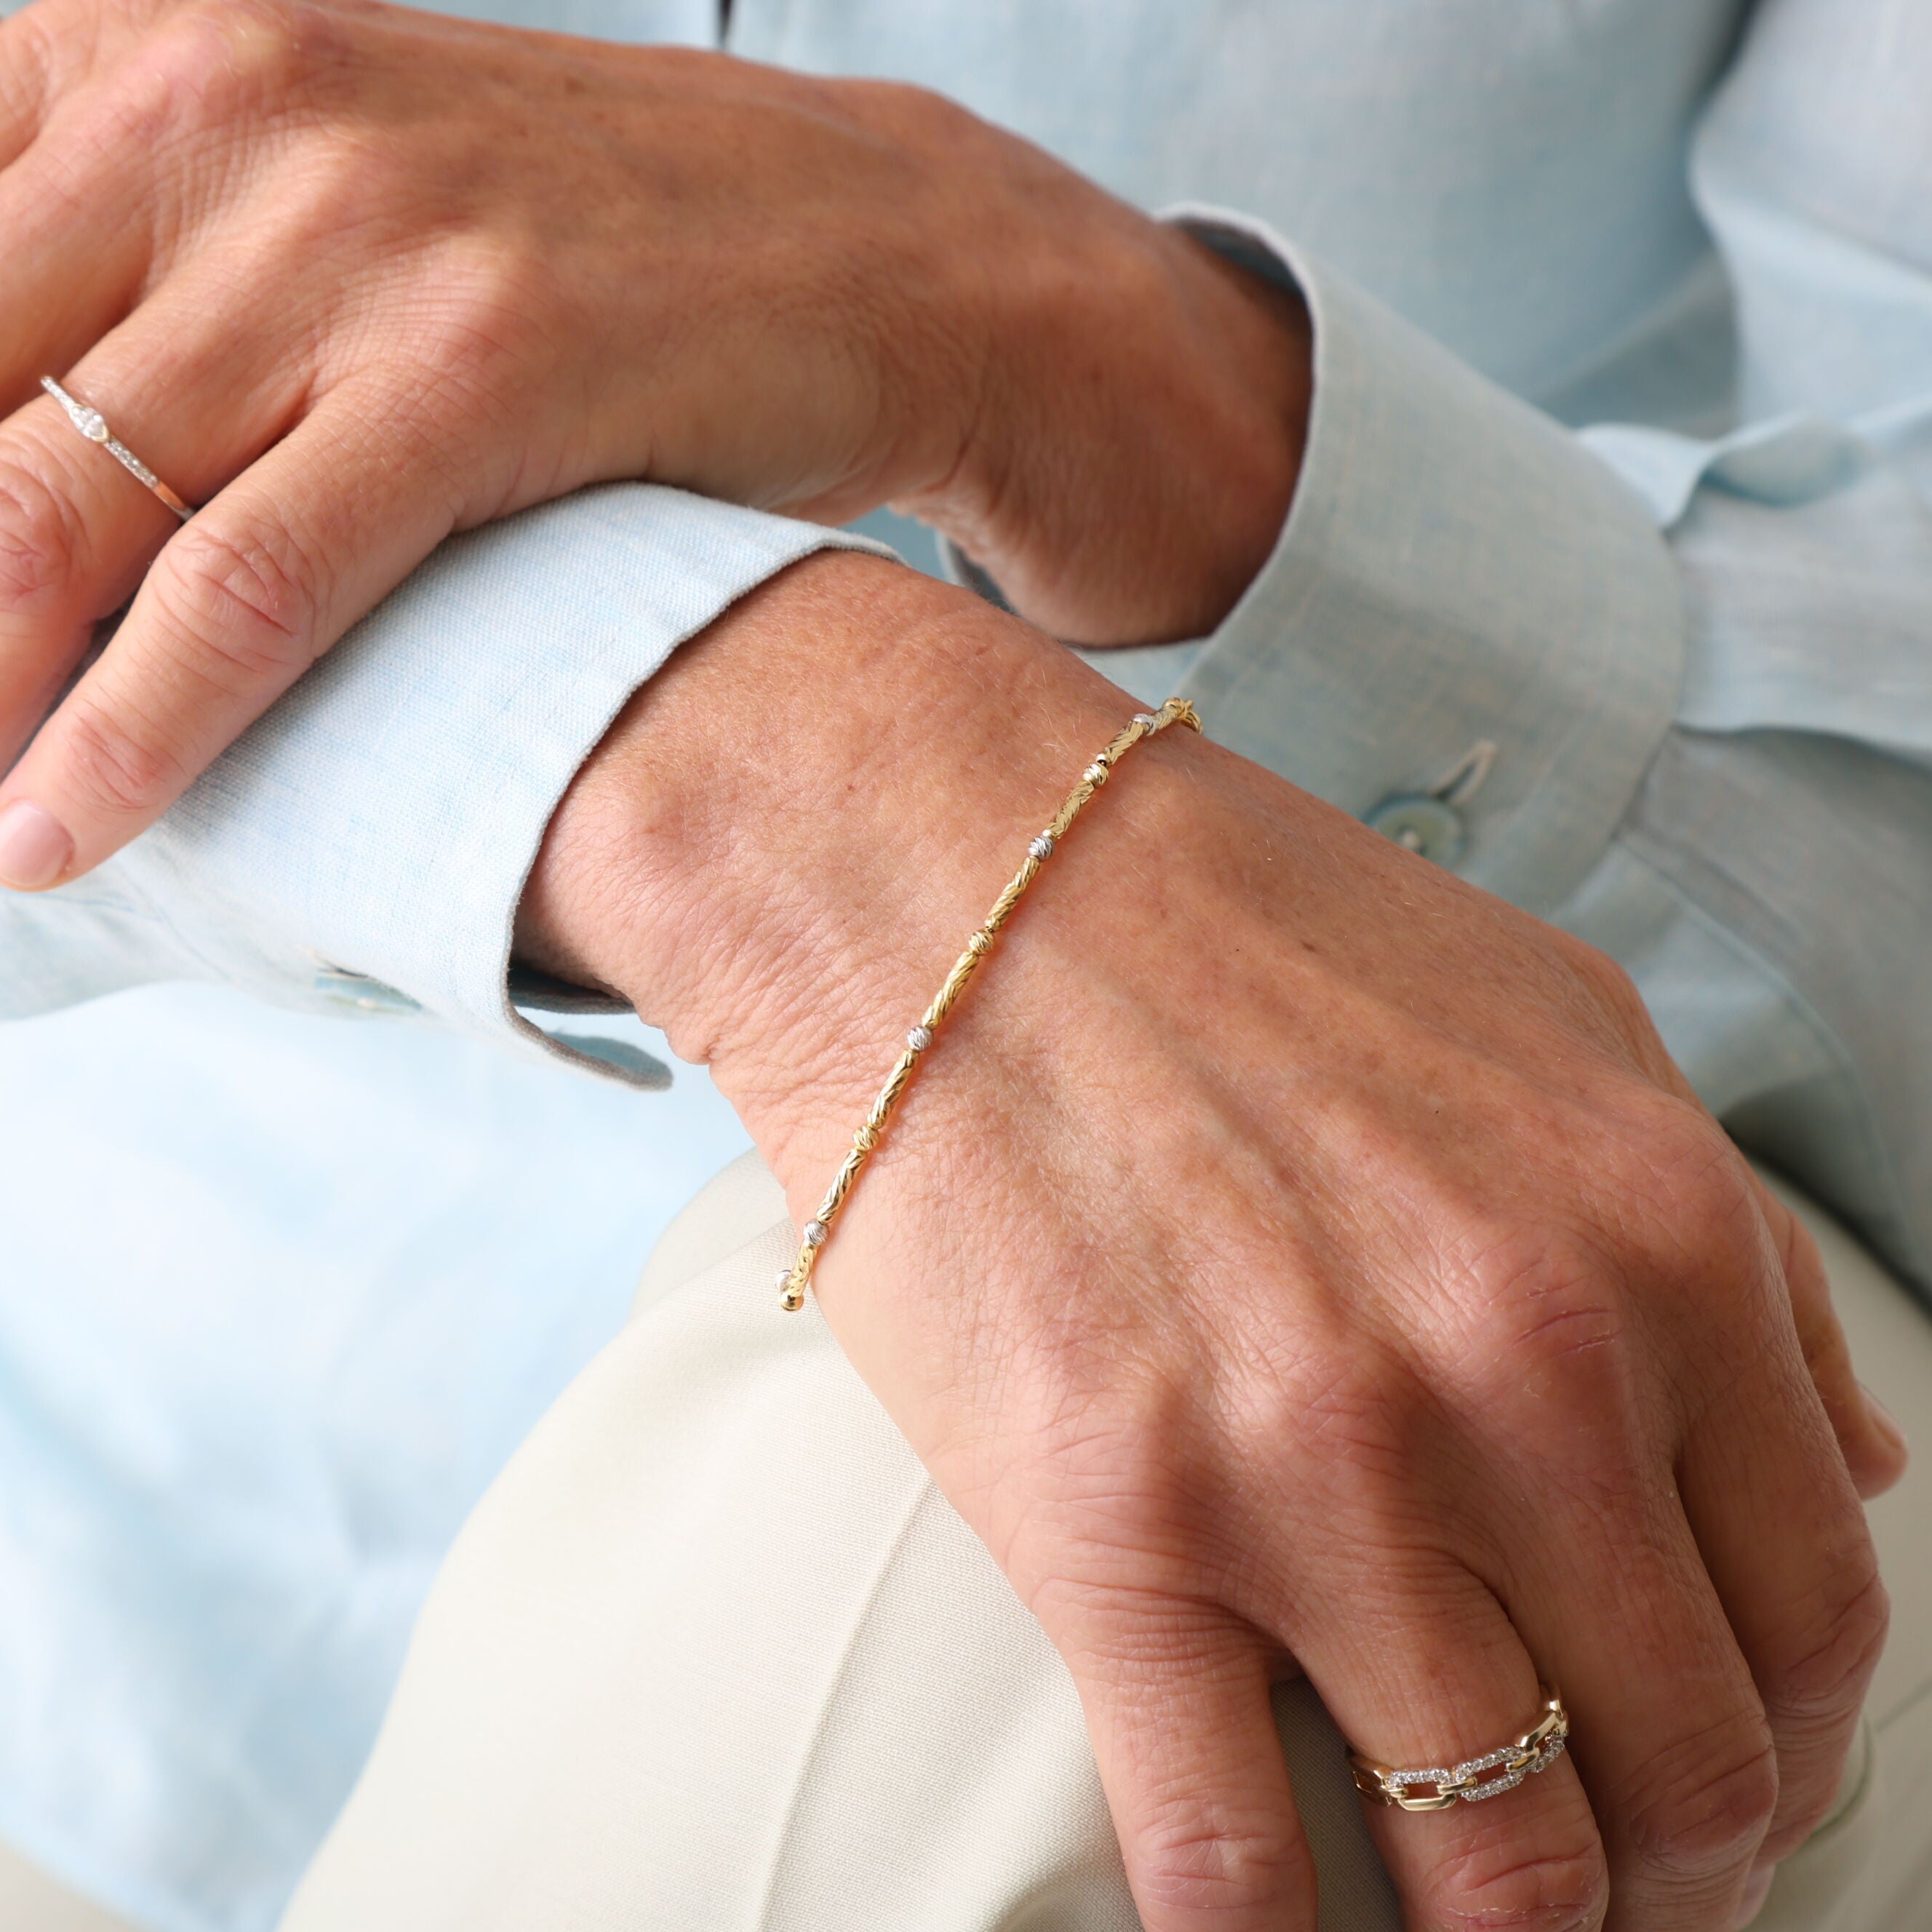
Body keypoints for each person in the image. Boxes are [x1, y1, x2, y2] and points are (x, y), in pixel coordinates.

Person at [1, 0, 1930, 1928]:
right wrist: (766, 758)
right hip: (101, 1514)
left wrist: (1095, 354)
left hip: (1642, 1107)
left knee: (1172, 1507)